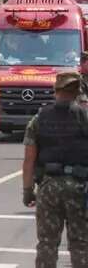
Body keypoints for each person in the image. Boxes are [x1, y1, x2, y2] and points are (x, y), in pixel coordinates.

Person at [22, 72, 88, 268]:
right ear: (77, 92)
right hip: (79, 189)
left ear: (55, 91)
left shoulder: (39, 119)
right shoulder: (85, 118)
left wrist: (27, 191)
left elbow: (29, 160)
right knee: (81, 244)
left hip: (49, 187)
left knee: (47, 244)